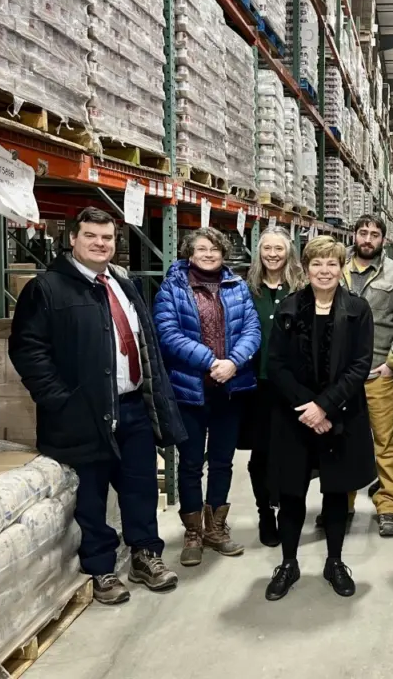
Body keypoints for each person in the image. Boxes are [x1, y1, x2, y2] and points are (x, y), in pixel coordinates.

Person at [8, 207, 186, 605]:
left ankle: (145, 556)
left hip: (132, 407)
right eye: (91, 236)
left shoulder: (123, 283)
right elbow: (27, 351)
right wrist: (60, 401)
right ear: (72, 238)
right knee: (90, 496)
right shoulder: (48, 288)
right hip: (82, 412)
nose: (100, 243)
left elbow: (144, 344)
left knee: (139, 487)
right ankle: (101, 568)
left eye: (107, 238)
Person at [264, 236, 376, 600]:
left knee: (335, 490)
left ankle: (334, 561)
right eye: (317, 263)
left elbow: (360, 365)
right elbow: (276, 365)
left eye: (332, 263)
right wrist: (308, 408)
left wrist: (325, 406)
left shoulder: (358, 309)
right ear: (306, 268)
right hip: (295, 416)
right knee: (293, 492)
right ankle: (288, 562)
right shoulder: (288, 307)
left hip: (341, 415)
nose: (324, 270)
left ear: (341, 267)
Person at [154, 228, 261, 566]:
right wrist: (210, 361)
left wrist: (232, 363)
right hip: (190, 389)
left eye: (215, 248)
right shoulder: (173, 287)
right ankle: (193, 532)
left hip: (230, 388)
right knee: (189, 464)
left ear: (224, 252)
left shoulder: (237, 286)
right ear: (189, 252)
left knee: (222, 461)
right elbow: (167, 332)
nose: (209, 254)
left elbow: (252, 330)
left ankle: (216, 528)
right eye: (202, 248)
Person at [339, 214, 393, 538]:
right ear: (354, 235)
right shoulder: (336, 269)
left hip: (378, 374)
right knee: (343, 443)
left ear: (384, 239)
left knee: (386, 443)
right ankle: (343, 503)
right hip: (340, 377)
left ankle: (388, 507)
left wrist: (391, 363)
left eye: (374, 234)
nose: (368, 239)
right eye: (362, 232)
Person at [240, 226, 307, 547]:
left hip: (292, 385)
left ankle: (288, 512)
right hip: (257, 385)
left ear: (289, 252)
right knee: (261, 455)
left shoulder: (301, 289)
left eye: (279, 248)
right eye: (267, 248)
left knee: (292, 453)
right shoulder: (246, 289)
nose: (272, 254)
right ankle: (266, 513)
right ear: (259, 252)